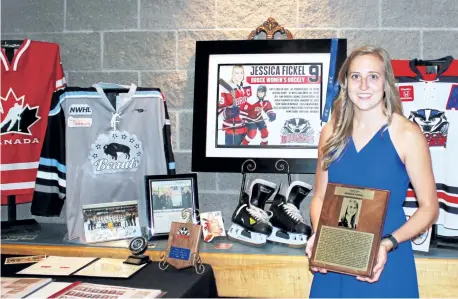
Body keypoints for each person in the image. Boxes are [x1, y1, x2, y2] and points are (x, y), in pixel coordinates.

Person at [305, 45, 439, 298]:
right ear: (345, 82)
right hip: (334, 259)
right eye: (356, 76)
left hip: (386, 261)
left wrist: (388, 244)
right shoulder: (330, 132)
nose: (364, 85)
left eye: (373, 76)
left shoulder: (408, 135)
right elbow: (320, 197)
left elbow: (429, 208)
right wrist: (319, 235)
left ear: (386, 82)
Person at [218, 65, 251, 145]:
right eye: (237, 73)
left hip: (245, 128)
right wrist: (227, 113)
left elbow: (250, 105)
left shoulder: (247, 86)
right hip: (232, 130)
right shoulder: (226, 89)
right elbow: (219, 112)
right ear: (233, 74)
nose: (240, 75)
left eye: (241, 73)